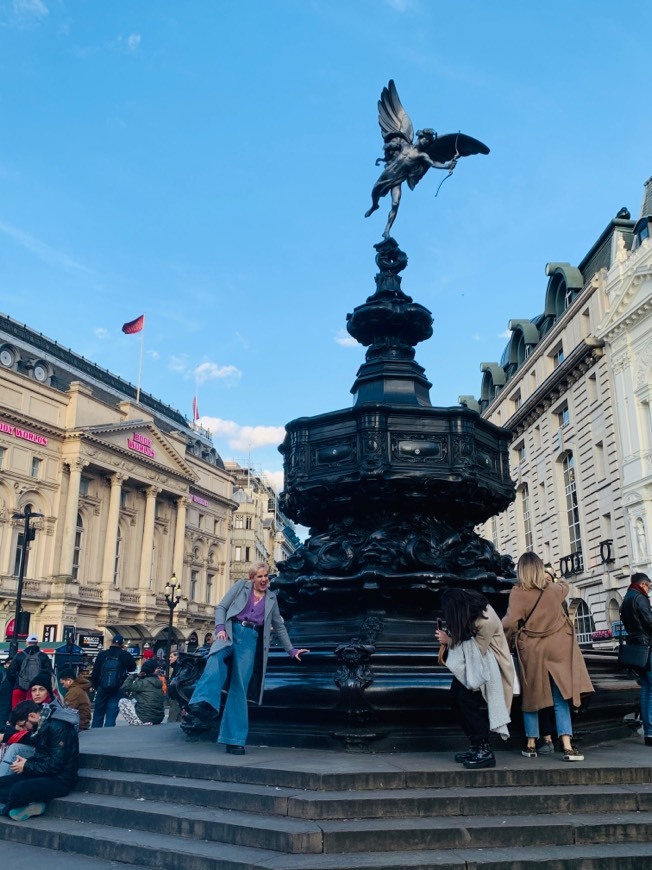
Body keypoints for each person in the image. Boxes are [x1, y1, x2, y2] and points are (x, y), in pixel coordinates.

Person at [187, 562, 309, 755]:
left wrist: (291, 650)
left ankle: (234, 739)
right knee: (215, 657)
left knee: (239, 688)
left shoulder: (271, 598)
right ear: (252, 578)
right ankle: (203, 703)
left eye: (266, 576)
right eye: (260, 576)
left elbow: (279, 626)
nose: (264, 579)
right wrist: (219, 628)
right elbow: (221, 607)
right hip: (230, 631)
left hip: (250, 640)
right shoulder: (240, 587)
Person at [502, 552, 594, 762]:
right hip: (558, 648)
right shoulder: (553, 590)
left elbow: (509, 623)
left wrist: (504, 643)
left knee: (532, 696)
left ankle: (532, 743)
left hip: (533, 650)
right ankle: (567, 746)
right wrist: (550, 576)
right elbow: (565, 585)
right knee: (561, 697)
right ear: (540, 569)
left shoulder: (518, 592)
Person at [436, 588, 514, 770]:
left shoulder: (485, 620)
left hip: (490, 665)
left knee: (466, 702)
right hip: (473, 665)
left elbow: (476, 651)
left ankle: (484, 748)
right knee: (456, 699)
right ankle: (475, 744)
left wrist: (449, 641)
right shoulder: (473, 610)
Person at [0, 698, 79, 821]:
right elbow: (41, 756)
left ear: (31, 716)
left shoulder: (58, 726)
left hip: (60, 779)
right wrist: (26, 763)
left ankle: (8, 808)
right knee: (2, 783)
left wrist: (26, 766)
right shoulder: (40, 726)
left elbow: (55, 764)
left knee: (18, 790)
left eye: (23, 725)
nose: (25, 730)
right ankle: (29, 804)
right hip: (41, 773)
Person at [619, 572, 652, 746]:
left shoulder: (626, 599)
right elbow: (649, 622)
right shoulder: (640, 598)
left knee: (647, 689)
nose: (649, 590)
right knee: (650, 690)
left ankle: (649, 732)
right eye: (649, 586)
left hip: (637, 649)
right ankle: (651, 731)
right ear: (643, 584)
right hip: (648, 648)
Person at [90, 634, 137, 728]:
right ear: (122, 644)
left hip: (102, 687)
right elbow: (133, 668)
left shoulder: (102, 654)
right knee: (111, 713)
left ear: (111, 642)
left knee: (98, 713)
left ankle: (95, 733)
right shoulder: (125, 655)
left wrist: (97, 686)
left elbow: (95, 673)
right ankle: (107, 734)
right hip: (117, 688)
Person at [6, 634, 53, 709]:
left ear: (27, 643)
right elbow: (49, 673)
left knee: (17, 713)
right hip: (36, 691)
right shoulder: (43, 656)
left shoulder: (19, 655)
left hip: (19, 689)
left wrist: (16, 684)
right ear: (38, 643)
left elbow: (10, 673)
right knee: (34, 711)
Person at [118, 659, 165, 725]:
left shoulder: (144, 682)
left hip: (145, 718)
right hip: (158, 718)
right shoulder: (157, 682)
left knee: (122, 701)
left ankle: (138, 722)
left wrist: (134, 676)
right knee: (136, 700)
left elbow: (125, 687)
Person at [166, 650, 182, 722]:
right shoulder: (179, 666)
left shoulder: (178, 667)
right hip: (178, 694)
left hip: (176, 695)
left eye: (171, 656)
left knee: (173, 716)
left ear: (177, 657)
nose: (169, 658)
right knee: (179, 716)